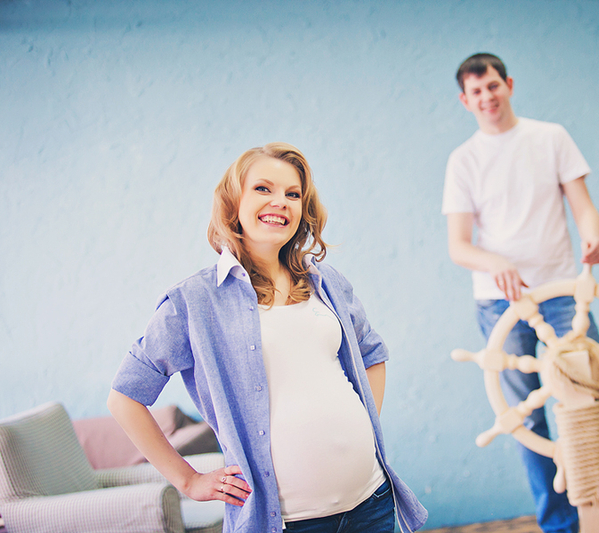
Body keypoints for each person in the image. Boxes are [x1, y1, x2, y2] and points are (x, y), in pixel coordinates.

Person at [108, 142, 427, 533]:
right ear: (233, 203)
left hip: (371, 502)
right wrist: (188, 480)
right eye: (263, 188)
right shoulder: (195, 300)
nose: (280, 202)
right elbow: (125, 397)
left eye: (293, 194)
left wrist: (359, 424)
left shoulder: (325, 282)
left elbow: (372, 354)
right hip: (287, 522)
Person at [442, 53, 599, 533]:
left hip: (562, 294)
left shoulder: (551, 137)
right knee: (526, 419)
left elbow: (584, 208)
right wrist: (496, 263)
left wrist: (593, 238)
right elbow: (458, 246)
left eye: (493, 86)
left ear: (509, 85)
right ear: (464, 100)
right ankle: (559, 526)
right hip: (500, 304)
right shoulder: (463, 160)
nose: (487, 97)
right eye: (476, 91)